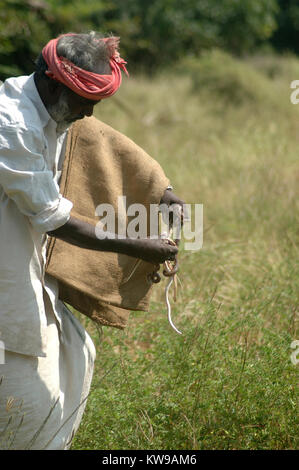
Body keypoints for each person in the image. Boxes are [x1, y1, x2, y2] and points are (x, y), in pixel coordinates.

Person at [0, 32, 182, 450]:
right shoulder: (11, 123)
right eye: (85, 101)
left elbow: (101, 144)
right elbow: (53, 218)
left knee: (77, 355)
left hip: (28, 276)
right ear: (52, 82)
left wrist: (160, 191)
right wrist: (137, 245)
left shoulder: (53, 111)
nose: (89, 113)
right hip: (6, 283)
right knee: (27, 405)